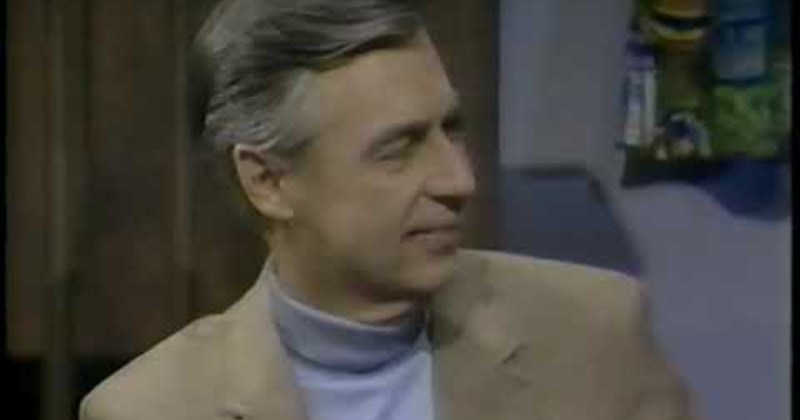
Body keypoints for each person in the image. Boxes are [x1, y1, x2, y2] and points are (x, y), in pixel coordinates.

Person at [80, 0, 697, 419]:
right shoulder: (150, 408)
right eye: (398, 149)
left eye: (450, 130)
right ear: (268, 181)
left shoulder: (597, 333)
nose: (459, 181)